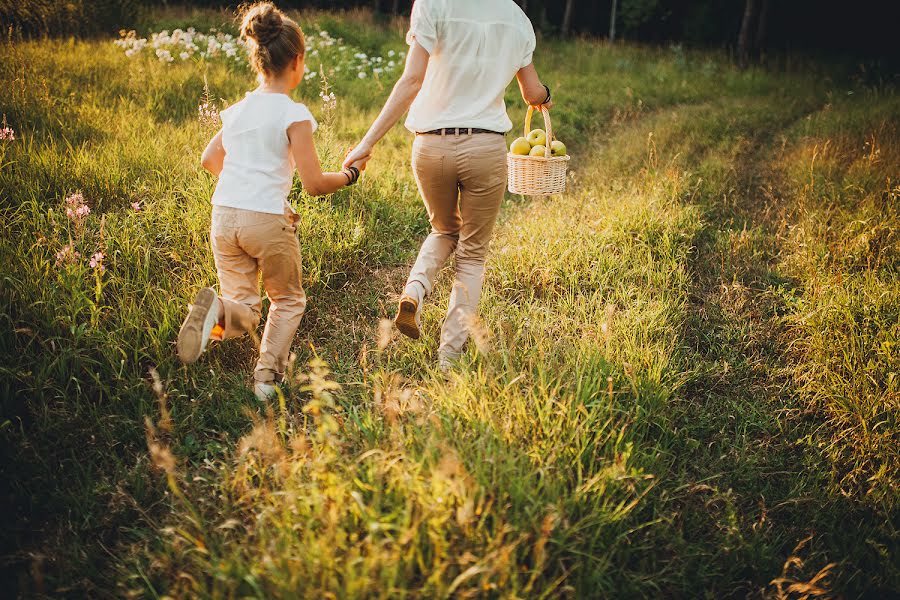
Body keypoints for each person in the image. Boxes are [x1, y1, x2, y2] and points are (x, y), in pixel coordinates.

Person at [344, 0, 553, 370]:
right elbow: (532, 92)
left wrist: (367, 142)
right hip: (485, 148)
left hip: (431, 145)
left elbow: (411, 80)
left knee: (443, 229)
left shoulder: (432, 3)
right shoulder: (517, 18)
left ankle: (415, 289)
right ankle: (448, 358)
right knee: (471, 255)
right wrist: (545, 97)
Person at [177, 1, 366, 400]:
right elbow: (314, 184)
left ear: (259, 59)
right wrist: (350, 175)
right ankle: (265, 379)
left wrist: (243, 186)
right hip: (267, 219)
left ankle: (217, 314)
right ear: (296, 61)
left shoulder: (237, 111)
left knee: (244, 309)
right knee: (287, 299)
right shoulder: (293, 114)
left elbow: (209, 159)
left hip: (224, 214)